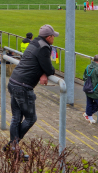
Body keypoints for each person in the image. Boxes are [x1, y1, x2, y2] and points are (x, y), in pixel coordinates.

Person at [4, 24, 58, 153]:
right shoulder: (44, 48)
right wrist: (45, 72)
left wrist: (42, 72)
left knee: (16, 117)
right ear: (49, 37)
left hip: (13, 81)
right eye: (53, 36)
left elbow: (37, 62)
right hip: (23, 87)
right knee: (31, 118)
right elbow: (50, 69)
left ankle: (13, 146)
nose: (54, 39)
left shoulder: (34, 43)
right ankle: (13, 144)